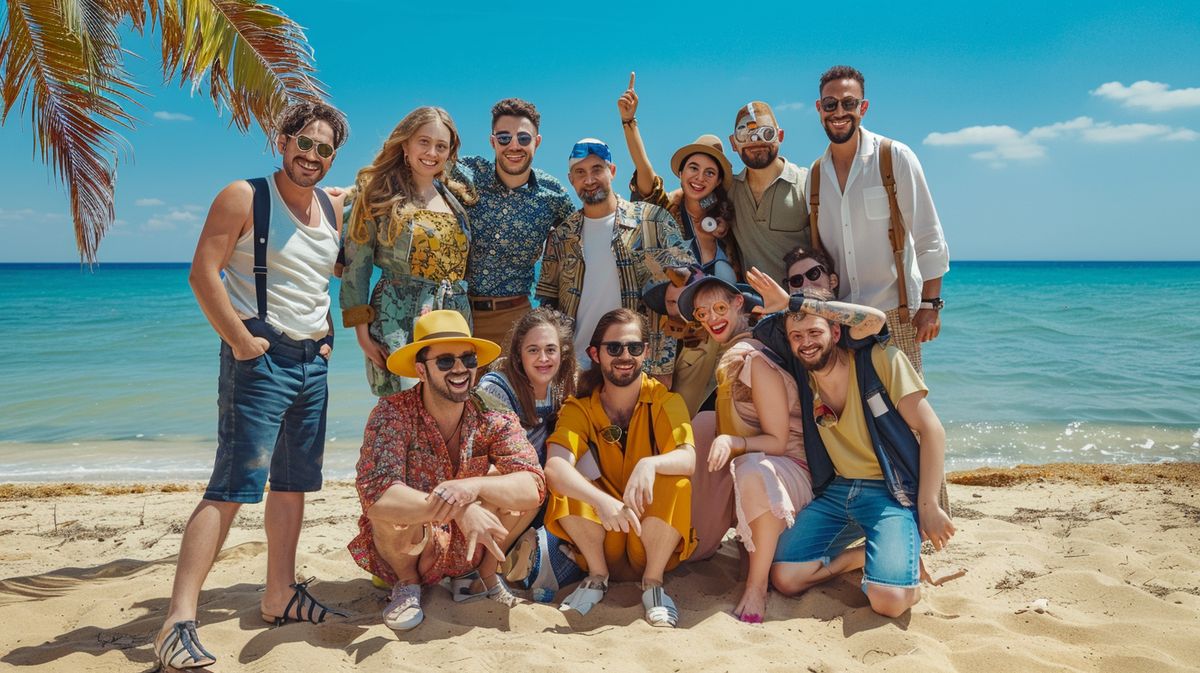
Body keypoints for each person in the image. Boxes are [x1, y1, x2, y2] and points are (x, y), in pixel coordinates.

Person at [154, 101, 349, 670]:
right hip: (260, 358)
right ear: (282, 140)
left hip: (313, 362)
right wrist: (241, 343)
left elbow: (321, 281)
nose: (311, 156)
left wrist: (331, 333)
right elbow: (202, 273)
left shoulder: (331, 209)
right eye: (303, 143)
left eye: (323, 149)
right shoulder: (244, 196)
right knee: (231, 487)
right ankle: (177, 621)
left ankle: (280, 593)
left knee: (292, 485)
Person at [753, 290, 955, 618]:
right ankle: (862, 557)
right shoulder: (802, 372)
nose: (806, 343)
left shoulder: (880, 359)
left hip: (890, 495)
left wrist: (928, 506)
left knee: (889, 601)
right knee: (785, 577)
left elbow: (932, 430)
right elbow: (753, 333)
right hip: (838, 492)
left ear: (835, 332)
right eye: (796, 336)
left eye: (815, 332)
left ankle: (897, 566)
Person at [348, 310, 545, 631]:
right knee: (387, 510)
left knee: (509, 485)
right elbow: (376, 494)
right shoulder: (393, 413)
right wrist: (458, 509)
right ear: (420, 370)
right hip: (413, 549)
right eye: (445, 361)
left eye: (467, 359)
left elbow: (533, 483)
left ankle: (483, 577)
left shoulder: (491, 413)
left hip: (468, 548)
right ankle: (407, 585)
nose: (459, 369)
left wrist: (474, 488)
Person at [543, 309, 697, 627]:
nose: (625, 356)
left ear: (646, 351)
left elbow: (688, 458)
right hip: (602, 538)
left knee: (677, 481)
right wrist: (601, 501)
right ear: (595, 353)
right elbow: (555, 467)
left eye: (634, 347)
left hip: (650, 542)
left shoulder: (665, 400)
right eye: (614, 348)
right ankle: (597, 578)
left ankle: (653, 585)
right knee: (568, 482)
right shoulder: (579, 407)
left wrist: (649, 464)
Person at [809, 65, 949, 374]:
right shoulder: (815, 175)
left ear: (864, 107)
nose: (839, 112)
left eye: (849, 103)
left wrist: (930, 305)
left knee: (906, 417)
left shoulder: (894, 156)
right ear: (819, 109)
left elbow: (929, 235)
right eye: (830, 104)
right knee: (855, 418)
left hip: (895, 316)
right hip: (841, 319)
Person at [340, 106, 478, 396]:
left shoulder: (454, 198)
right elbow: (357, 268)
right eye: (424, 142)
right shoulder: (378, 196)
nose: (432, 152)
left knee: (449, 405)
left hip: (452, 318)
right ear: (405, 144)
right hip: (399, 319)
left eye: (441, 146)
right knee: (405, 409)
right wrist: (362, 335)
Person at [536, 138, 695, 384]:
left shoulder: (653, 220)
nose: (589, 179)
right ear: (571, 180)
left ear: (612, 171)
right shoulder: (561, 236)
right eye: (580, 172)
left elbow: (690, 279)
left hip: (645, 365)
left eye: (597, 169)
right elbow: (549, 304)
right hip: (579, 369)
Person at [475, 307, 585, 601]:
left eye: (550, 349)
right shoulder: (495, 388)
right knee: (526, 484)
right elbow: (479, 459)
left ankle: (507, 567)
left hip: (539, 491)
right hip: (491, 487)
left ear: (562, 352)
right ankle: (485, 572)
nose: (543, 358)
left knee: (563, 559)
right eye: (533, 350)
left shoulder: (566, 385)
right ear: (519, 354)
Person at [454, 98, 575, 346]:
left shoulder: (553, 195)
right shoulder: (466, 173)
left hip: (514, 319)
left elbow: (584, 233)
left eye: (523, 138)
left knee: (511, 387)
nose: (514, 146)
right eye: (504, 138)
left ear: (537, 142)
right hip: (456, 314)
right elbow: (414, 170)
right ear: (492, 141)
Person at [617, 72, 743, 277]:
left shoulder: (729, 218)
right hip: (670, 308)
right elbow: (644, 167)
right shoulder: (666, 211)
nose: (700, 177)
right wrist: (628, 121)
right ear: (681, 172)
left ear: (718, 180)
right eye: (694, 168)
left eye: (709, 172)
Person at [727, 101, 810, 282]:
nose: (755, 140)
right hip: (755, 307)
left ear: (780, 135)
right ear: (733, 143)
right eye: (744, 134)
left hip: (805, 304)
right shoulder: (728, 189)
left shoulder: (807, 183)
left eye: (766, 132)